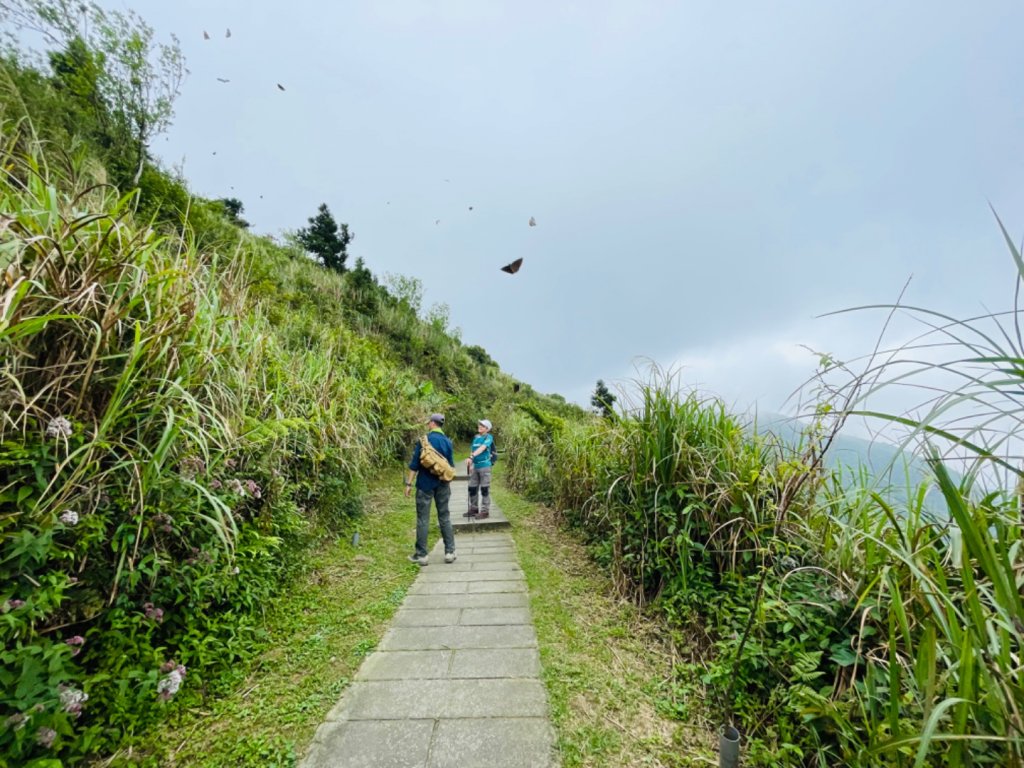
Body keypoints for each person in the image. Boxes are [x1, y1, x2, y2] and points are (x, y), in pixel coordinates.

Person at [404, 413, 456, 565]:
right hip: (443, 484)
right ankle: (450, 552)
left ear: (433, 423)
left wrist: (408, 484)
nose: (428, 424)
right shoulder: (447, 442)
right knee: (444, 517)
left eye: (429, 423)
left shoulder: (424, 440)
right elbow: (450, 465)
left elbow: (415, 465)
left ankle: (422, 555)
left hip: (425, 484)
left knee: (423, 519)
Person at [464, 418, 494, 520]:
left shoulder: (488, 437)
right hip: (475, 467)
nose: (480, 426)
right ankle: (474, 509)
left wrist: (471, 457)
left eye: (483, 426)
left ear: (487, 429)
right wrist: (471, 463)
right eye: (479, 425)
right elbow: (473, 451)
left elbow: (482, 448)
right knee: (472, 488)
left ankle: (485, 511)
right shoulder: (476, 438)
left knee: (485, 489)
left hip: (485, 466)